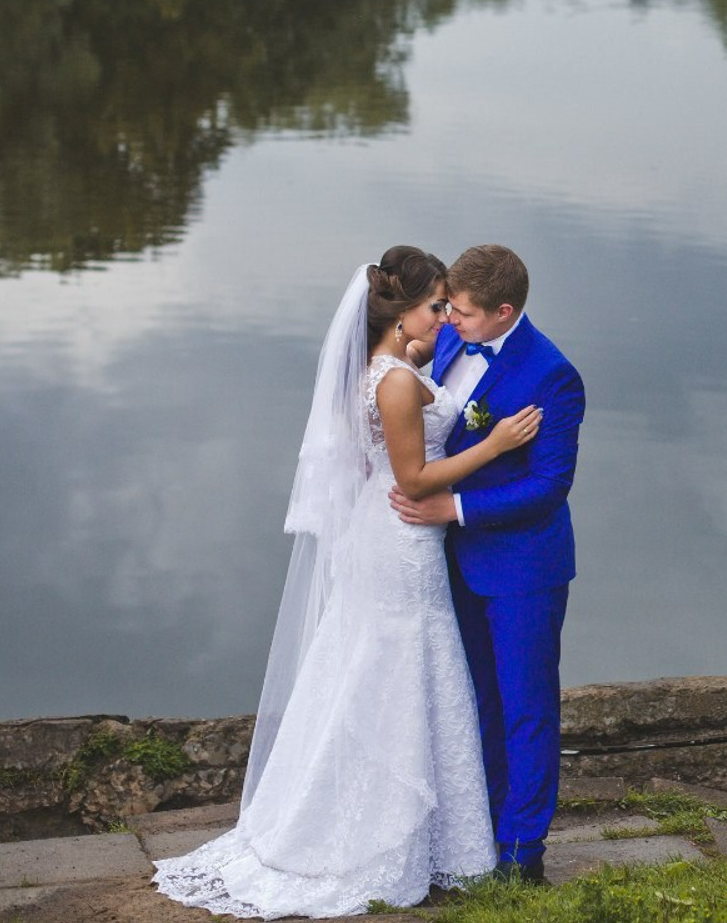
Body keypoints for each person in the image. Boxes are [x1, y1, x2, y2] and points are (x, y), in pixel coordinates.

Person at [153, 246, 543, 919]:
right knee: (394, 669)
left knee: (387, 669)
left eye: (449, 306)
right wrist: (495, 445)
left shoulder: (389, 368)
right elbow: (413, 478)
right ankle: (374, 835)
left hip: (387, 531)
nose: (445, 317)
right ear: (401, 314)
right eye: (435, 306)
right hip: (402, 536)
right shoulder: (392, 382)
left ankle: (416, 832)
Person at [392, 245, 585, 883]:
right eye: (446, 308)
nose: (450, 321)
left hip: (523, 567)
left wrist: (455, 508)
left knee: (526, 705)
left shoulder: (553, 376)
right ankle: (478, 832)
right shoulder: (448, 341)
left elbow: (550, 485)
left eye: (465, 314)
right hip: (447, 564)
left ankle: (522, 852)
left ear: (504, 312)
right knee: (472, 698)